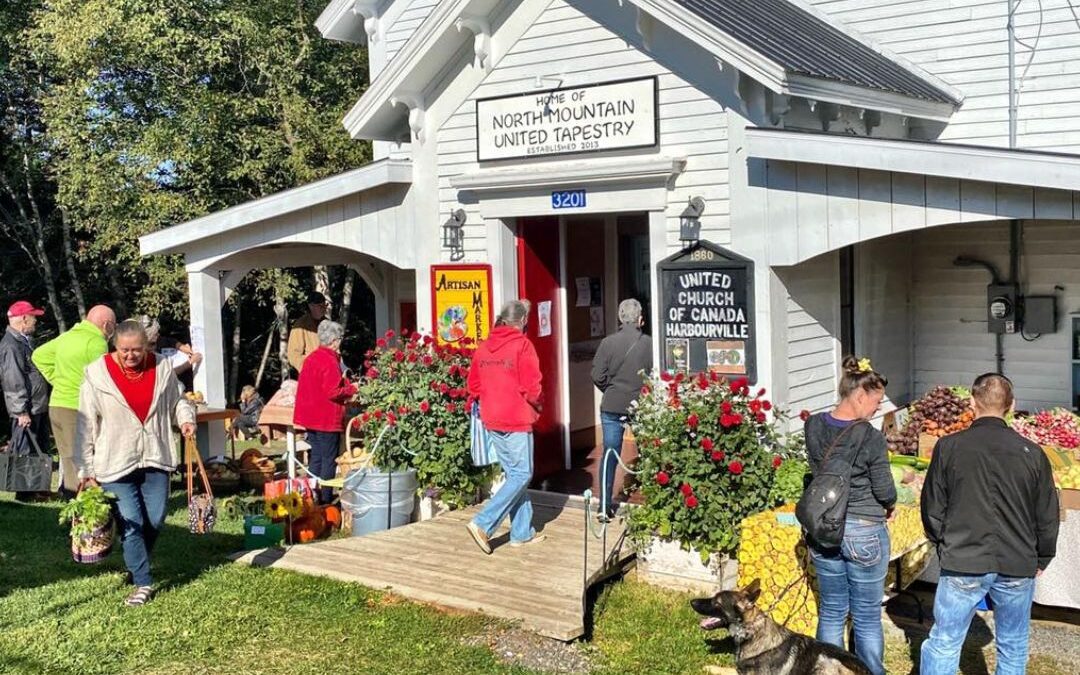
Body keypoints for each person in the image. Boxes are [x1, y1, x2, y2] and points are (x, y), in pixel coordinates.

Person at [920, 374, 1059, 675]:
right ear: (1012, 406)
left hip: (964, 559)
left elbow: (932, 507)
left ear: (972, 403)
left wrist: (943, 544)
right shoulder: (1032, 454)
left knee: (945, 641)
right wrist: (1043, 555)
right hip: (1015, 561)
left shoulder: (949, 447)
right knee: (1012, 644)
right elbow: (1047, 515)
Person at [73, 320, 196, 607]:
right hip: (114, 460)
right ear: (115, 347)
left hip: (156, 454)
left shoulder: (162, 367)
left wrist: (186, 419)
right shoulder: (96, 374)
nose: (131, 356)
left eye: (137, 350)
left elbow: (178, 400)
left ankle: (134, 559)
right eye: (125, 350)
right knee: (132, 522)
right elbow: (85, 424)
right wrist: (86, 470)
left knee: (155, 519)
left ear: (147, 346)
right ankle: (143, 581)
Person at [804, 356, 895, 675]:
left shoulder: (813, 425)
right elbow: (884, 489)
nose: (878, 408)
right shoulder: (870, 437)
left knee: (831, 611)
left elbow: (819, 470)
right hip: (864, 530)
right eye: (876, 400)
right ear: (859, 396)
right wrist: (892, 503)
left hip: (825, 528)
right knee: (867, 615)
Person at [465, 300, 545, 554]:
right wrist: (539, 406)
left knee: (514, 475)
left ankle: (521, 533)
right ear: (521, 321)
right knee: (523, 474)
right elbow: (532, 386)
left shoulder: (484, 346)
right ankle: (482, 523)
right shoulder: (523, 345)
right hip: (517, 418)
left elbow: (473, 386)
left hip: (492, 417)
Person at [32, 304, 115, 497]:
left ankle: (73, 503)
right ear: (106, 324)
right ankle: (83, 508)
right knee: (83, 461)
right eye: (114, 325)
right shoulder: (96, 342)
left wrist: (58, 380)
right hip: (77, 408)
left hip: (57, 406)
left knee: (68, 458)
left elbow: (39, 355)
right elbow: (104, 380)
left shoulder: (68, 336)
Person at [591, 298, 652, 519]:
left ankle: (604, 507)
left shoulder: (607, 343)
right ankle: (653, 501)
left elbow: (597, 375)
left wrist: (612, 388)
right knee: (648, 452)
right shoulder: (648, 343)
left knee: (609, 454)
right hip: (640, 405)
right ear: (640, 318)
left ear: (620, 318)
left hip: (612, 404)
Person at [293, 320, 356, 504]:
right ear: (335, 340)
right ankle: (326, 500)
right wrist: (352, 389)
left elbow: (318, 386)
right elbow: (332, 391)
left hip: (311, 418)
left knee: (317, 458)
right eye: (340, 339)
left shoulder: (311, 358)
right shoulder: (329, 360)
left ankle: (311, 496)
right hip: (326, 418)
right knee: (328, 460)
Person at [0, 301, 52, 501]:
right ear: (23, 319)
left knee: (36, 448)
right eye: (33, 317)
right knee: (24, 451)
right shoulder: (11, 345)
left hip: (35, 406)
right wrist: (21, 411)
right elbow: (12, 379)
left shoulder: (23, 341)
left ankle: (36, 489)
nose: (36, 322)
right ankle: (24, 494)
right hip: (26, 408)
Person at [287, 292, 328, 373]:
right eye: (320, 306)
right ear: (311, 306)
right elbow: (294, 355)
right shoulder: (300, 325)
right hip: (312, 374)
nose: (324, 308)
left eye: (325, 305)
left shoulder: (327, 323)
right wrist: (311, 368)